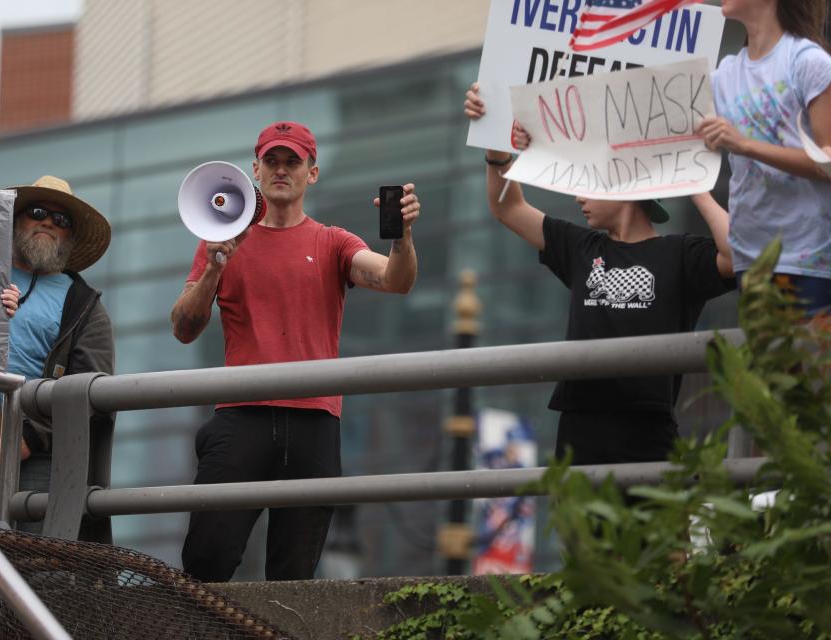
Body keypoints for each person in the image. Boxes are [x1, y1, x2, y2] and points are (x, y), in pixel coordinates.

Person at [171, 121, 421, 581]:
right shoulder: (219, 238)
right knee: (207, 560)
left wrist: (401, 238)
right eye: (272, 161)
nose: (281, 170)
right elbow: (184, 328)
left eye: (293, 162)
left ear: (313, 173)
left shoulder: (332, 241)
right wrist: (213, 268)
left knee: (295, 576)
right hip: (241, 413)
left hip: (314, 419)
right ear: (255, 170)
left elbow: (395, 280)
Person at [465, 85, 735, 465]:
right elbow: (506, 208)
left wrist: (695, 185)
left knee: (652, 527)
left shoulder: (680, 254)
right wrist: (495, 143)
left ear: (625, 183)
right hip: (580, 426)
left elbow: (737, 254)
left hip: (647, 427)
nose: (578, 197)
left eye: (588, 183)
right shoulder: (580, 247)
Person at [0, 174, 115, 537]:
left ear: (69, 237)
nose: (48, 221)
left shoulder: (84, 307)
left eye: (61, 220)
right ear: (15, 221)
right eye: (37, 212)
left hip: (34, 466)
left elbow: (94, 394)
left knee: (26, 579)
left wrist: (29, 438)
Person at [697, 0, 831, 314]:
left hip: (807, 258)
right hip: (750, 260)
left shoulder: (809, 62)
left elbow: (828, 161)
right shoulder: (723, 76)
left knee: (799, 363)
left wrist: (746, 145)